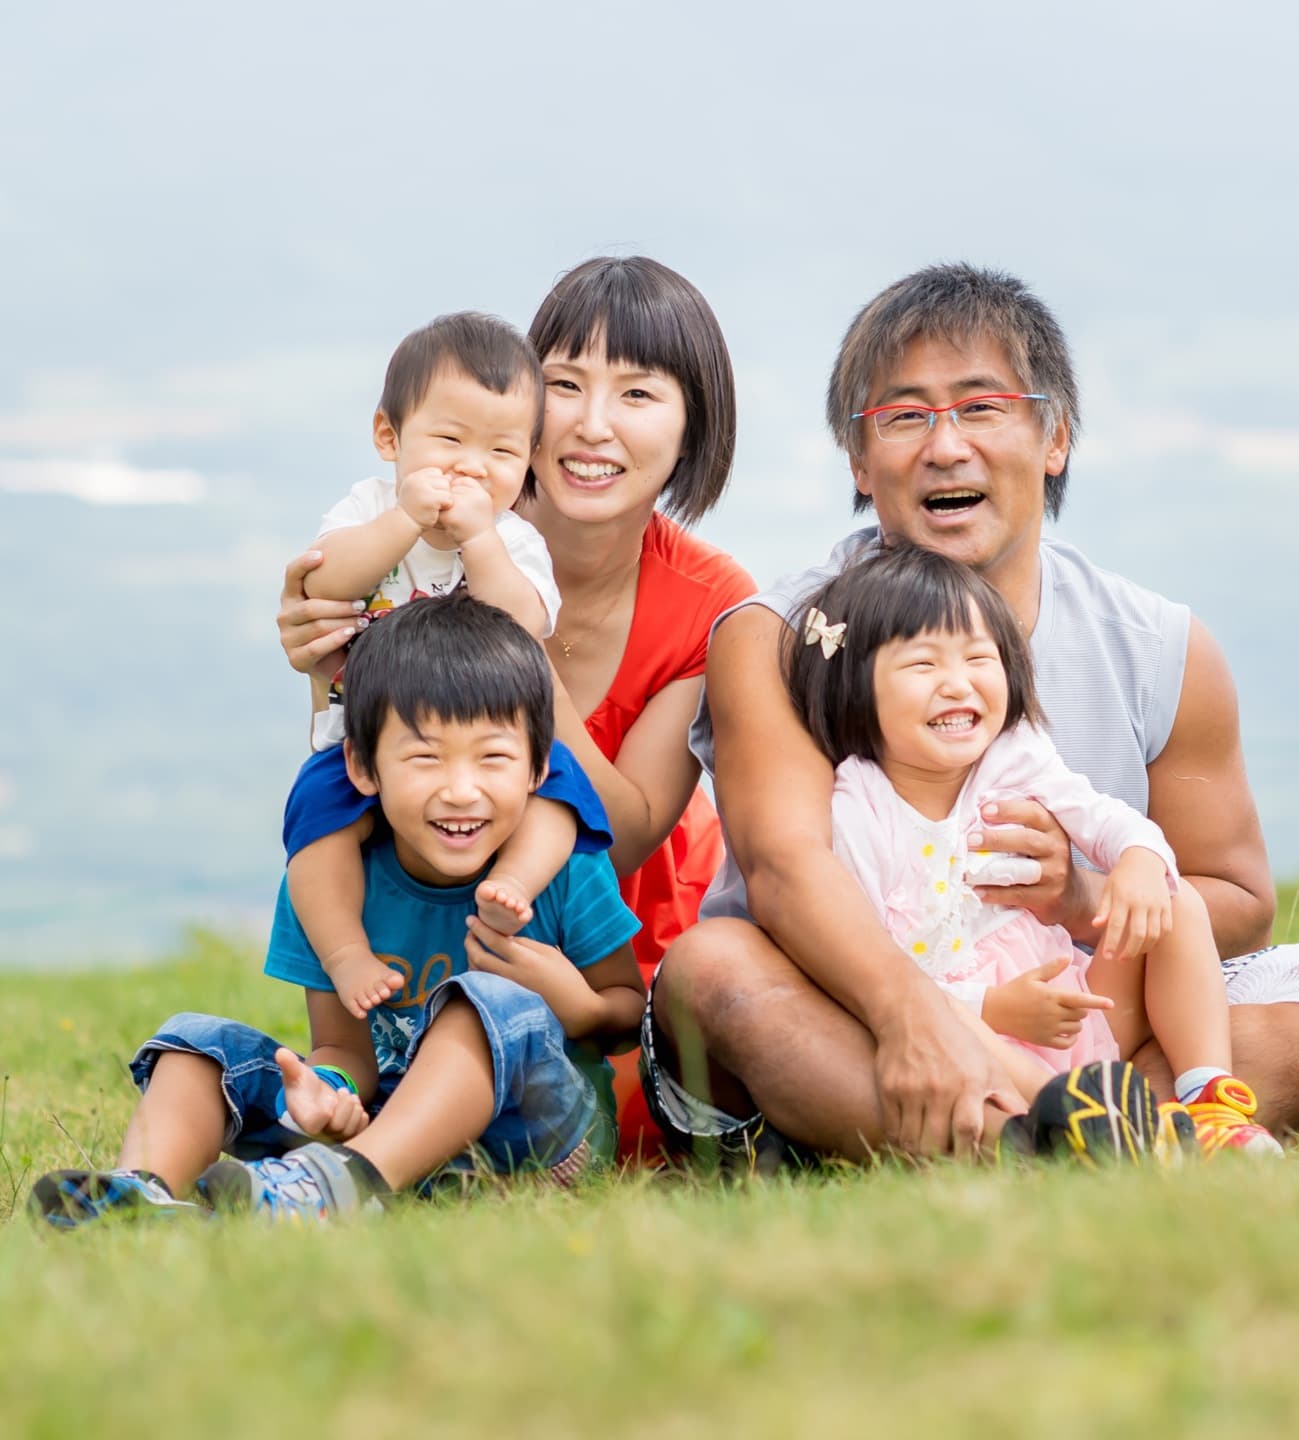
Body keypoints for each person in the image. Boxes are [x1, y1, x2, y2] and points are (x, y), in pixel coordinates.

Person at [644, 262, 1299, 1164]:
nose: (945, 445)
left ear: (1055, 439)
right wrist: (916, 1018)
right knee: (710, 968)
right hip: (837, 1011)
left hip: (1075, 1016)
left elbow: (1236, 904)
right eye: (904, 415)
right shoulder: (782, 636)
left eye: (980, 406)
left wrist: (1082, 896)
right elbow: (783, 871)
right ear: (858, 459)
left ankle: (1029, 1140)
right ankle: (1074, 1140)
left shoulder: (1160, 646)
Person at [275, 257, 755, 1159]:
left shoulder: (713, 604)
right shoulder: (415, 537)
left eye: (639, 393)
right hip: (421, 943)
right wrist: (326, 659)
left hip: (606, 958)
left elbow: (630, 832)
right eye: (565, 384)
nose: (591, 423)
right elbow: (363, 755)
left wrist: (511, 656)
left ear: (695, 427)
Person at [29, 594, 644, 1227]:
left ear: (539, 767)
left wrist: (573, 1003)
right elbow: (343, 1048)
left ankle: (330, 1190)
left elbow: (627, 1014)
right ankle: (143, 1197)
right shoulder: (332, 889)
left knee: (488, 1001)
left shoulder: (565, 870)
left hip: (535, 1146)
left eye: (493, 758)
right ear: (362, 765)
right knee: (198, 1044)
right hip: (379, 1136)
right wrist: (332, 1095)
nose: (461, 790)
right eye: (425, 757)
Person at [787, 540, 1281, 1156]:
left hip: (1079, 1015)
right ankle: (1087, 1130)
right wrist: (992, 1008)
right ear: (854, 687)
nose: (957, 685)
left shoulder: (1013, 755)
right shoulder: (858, 807)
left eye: (978, 659)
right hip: (972, 1036)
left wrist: (1140, 860)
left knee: (1180, 905)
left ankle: (1209, 1101)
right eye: (923, 666)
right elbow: (875, 970)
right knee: (938, 1018)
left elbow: (1104, 818)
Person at [288, 310, 606, 1020]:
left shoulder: (514, 539)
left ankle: (516, 884)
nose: (471, 467)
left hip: (484, 731)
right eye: (449, 440)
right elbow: (324, 582)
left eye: (501, 451)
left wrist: (479, 540)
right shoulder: (368, 508)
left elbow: (523, 625)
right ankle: (344, 955)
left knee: (562, 787)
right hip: (364, 731)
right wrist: (406, 521)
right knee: (317, 817)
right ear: (388, 437)